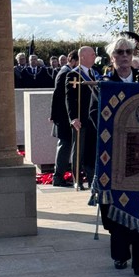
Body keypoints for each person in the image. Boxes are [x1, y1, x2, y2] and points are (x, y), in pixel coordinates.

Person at [90, 36, 139, 277]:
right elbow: (94, 114)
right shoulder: (104, 85)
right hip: (113, 155)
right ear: (112, 57)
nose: (125, 56)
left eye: (128, 51)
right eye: (119, 52)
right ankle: (120, 254)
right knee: (116, 206)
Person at [65, 45, 98, 188]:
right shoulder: (73, 75)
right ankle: (77, 180)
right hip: (81, 118)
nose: (95, 57)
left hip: (93, 119)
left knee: (91, 150)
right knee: (78, 150)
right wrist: (73, 118)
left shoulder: (94, 73)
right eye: (92, 55)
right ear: (83, 56)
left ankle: (91, 179)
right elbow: (70, 98)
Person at [49, 49, 78, 187]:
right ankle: (58, 177)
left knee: (65, 146)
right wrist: (54, 115)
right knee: (64, 147)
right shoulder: (66, 73)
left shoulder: (66, 71)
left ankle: (60, 175)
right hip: (63, 117)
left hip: (64, 116)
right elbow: (58, 95)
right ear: (74, 61)